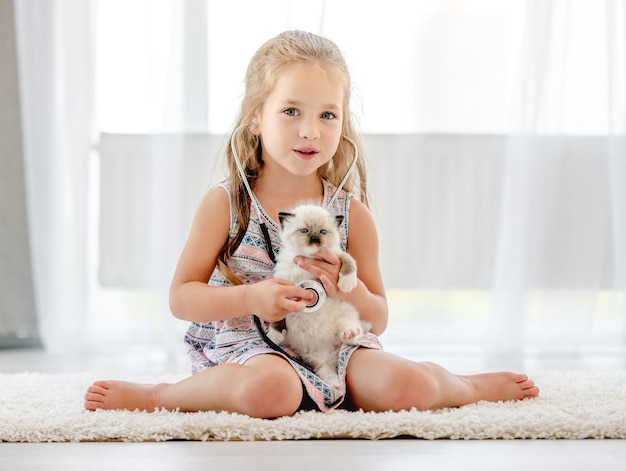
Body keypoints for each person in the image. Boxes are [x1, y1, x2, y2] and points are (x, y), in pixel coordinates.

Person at [84, 30, 539, 418]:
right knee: (272, 391)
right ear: (254, 117)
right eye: (291, 111)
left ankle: (467, 387)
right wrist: (252, 296)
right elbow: (181, 298)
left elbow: (378, 318)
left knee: (407, 388)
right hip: (249, 346)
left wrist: (351, 292)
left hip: (333, 344)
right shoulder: (225, 204)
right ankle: (160, 395)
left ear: (343, 123)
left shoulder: (350, 214)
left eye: (328, 115)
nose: (310, 131)